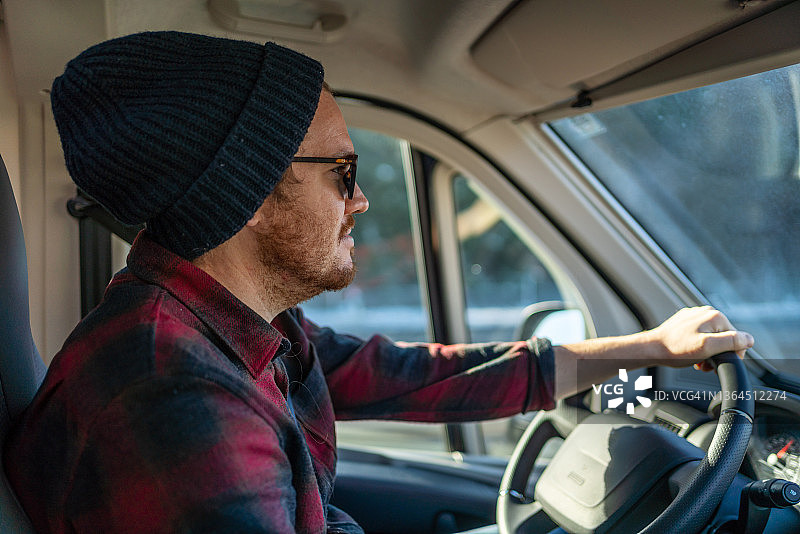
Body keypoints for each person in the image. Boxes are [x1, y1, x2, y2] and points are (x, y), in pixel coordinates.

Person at [3, 31, 753, 534]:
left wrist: (646, 349)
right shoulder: (173, 400)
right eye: (343, 172)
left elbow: (402, 378)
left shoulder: (229, 325)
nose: (360, 200)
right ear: (253, 194)